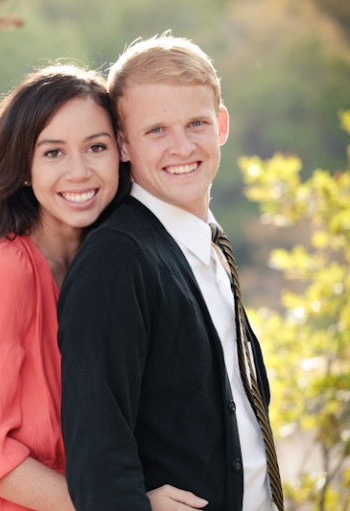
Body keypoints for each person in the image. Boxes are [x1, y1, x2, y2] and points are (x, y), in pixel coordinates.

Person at [0, 64, 198, 511]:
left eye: (95, 147)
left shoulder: (114, 263)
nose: (79, 172)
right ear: (23, 167)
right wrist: (127, 505)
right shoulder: (2, 271)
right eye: (53, 153)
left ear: (121, 151)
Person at [58, 35, 283, 511]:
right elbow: (97, 454)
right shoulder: (116, 262)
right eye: (156, 130)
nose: (182, 147)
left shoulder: (209, 246)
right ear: (122, 144)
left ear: (221, 125)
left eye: (196, 123)